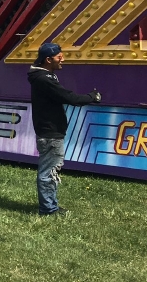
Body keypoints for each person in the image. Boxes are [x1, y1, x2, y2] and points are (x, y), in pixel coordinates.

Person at [28, 42, 101, 216]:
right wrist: (92, 97)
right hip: (50, 134)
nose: (63, 60)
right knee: (49, 172)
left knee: (52, 171)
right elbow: (69, 97)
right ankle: (48, 209)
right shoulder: (44, 79)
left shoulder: (44, 76)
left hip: (51, 132)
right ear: (48, 59)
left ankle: (51, 206)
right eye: (59, 57)